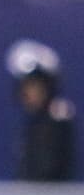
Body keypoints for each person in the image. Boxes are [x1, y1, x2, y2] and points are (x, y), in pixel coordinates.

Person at [6, 39, 75, 181]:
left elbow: (47, 174)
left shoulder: (57, 120)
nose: (26, 93)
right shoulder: (34, 123)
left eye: (33, 86)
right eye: (23, 87)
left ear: (47, 86)